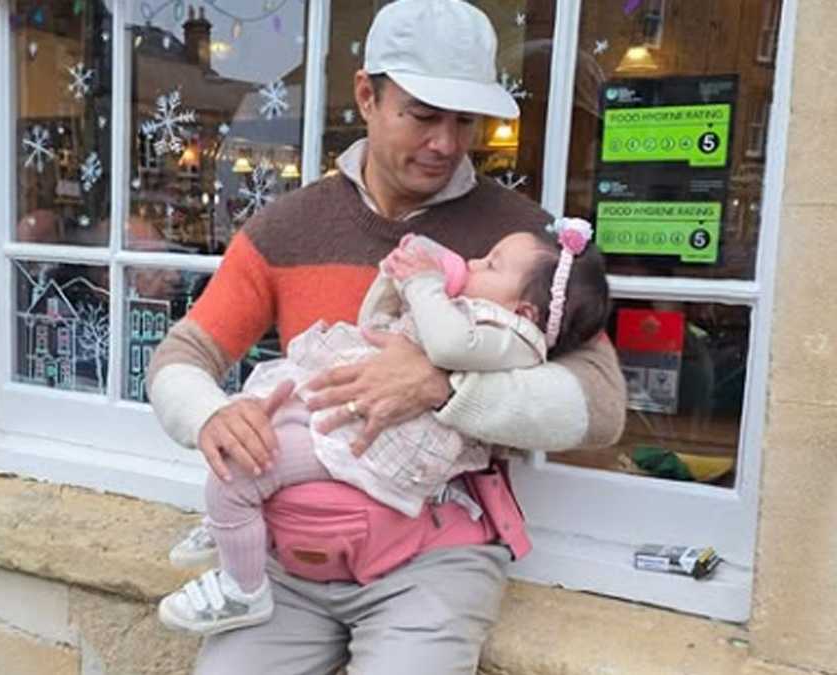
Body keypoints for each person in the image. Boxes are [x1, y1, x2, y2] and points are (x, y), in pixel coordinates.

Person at [147, 0, 626, 671]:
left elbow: (602, 405)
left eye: (464, 120)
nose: (447, 143)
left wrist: (444, 385)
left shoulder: (523, 245)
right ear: (366, 96)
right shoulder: (288, 225)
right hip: (289, 559)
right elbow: (184, 354)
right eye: (424, 115)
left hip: (434, 555)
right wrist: (211, 416)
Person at [157, 222, 610, 635]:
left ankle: (242, 588)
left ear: (526, 310)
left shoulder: (508, 329)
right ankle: (231, 527)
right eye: (483, 257)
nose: (473, 263)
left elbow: (600, 407)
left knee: (244, 471)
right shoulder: (290, 223)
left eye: (490, 264)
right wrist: (402, 272)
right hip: (302, 538)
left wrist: (427, 299)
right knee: (262, 416)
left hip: (403, 494)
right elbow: (372, 322)